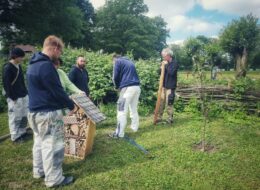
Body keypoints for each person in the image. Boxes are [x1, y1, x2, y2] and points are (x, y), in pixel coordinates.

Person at [26, 35, 77, 188]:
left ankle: (39, 170)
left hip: (33, 112)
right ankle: (54, 179)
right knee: (53, 146)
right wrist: (71, 105)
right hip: (48, 114)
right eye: (60, 52)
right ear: (55, 48)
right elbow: (57, 91)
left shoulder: (32, 64)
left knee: (39, 143)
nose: (59, 55)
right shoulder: (47, 66)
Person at [109, 54, 141, 138]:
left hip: (127, 88)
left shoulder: (117, 61)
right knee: (133, 109)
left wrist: (116, 87)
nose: (113, 63)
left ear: (114, 59)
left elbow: (115, 77)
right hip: (137, 87)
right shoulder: (130, 61)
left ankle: (119, 134)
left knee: (121, 110)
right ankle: (135, 128)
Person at [2, 47, 28, 143]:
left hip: (23, 94)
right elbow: (6, 84)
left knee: (24, 115)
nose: (22, 59)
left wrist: (26, 92)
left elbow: (21, 80)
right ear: (15, 56)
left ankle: (22, 132)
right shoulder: (7, 67)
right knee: (15, 117)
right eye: (21, 57)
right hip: (14, 97)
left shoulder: (18, 66)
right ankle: (15, 136)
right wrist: (13, 98)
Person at [157, 48, 179, 124]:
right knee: (161, 102)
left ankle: (170, 118)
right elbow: (159, 73)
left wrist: (166, 65)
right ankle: (159, 117)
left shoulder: (175, 63)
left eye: (164, 56)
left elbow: (171, 73)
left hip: (170, 87)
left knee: (169, 102)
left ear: (168, 55)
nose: (163, 58)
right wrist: (160, 68)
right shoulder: (164, 63)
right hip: (163, 87)